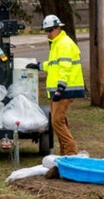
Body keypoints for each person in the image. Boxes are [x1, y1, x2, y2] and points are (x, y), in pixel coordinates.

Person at [26, 15, 84, 155]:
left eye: (50, 30)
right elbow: (54, 65)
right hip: (60, 89)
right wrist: (39, 66)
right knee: (59, 121)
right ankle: (65, 153)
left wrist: (60, 88)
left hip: (65, 89)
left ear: (58, 28)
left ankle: (70, 153)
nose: (48, 33)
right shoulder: (57, 43)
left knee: (57, 121)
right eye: (46, 30)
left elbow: (65, 67)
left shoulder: (63, 44)